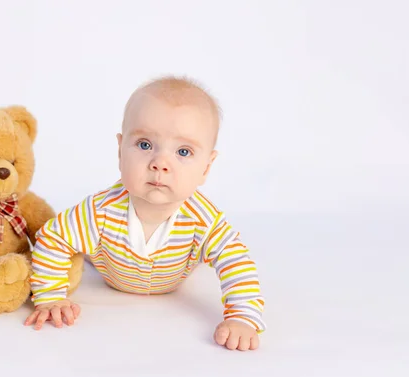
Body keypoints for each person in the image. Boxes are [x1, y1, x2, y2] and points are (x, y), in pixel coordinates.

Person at [24, 76, 266, 351]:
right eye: (145, 145)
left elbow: (237, 262)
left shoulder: (204, 222)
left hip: (173, 277)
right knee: (77, 242)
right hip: (110, 268)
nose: (159, 164)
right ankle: (91, 252)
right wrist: (51, 296)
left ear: (206, 167)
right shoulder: (98, 212)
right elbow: (52, 237)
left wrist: (243, 318)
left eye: (183, 151)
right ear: (120, 150)